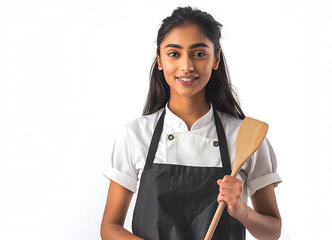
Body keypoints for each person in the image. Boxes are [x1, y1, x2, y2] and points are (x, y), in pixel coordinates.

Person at [100, 6, 282, 240]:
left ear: (215, 60)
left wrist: (242, 211)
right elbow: (109, 228)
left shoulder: (245, 137)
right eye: (174, 54)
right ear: (160, 61)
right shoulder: (135, 134)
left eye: (199, 54)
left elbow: (273, 232)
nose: (186, 66)